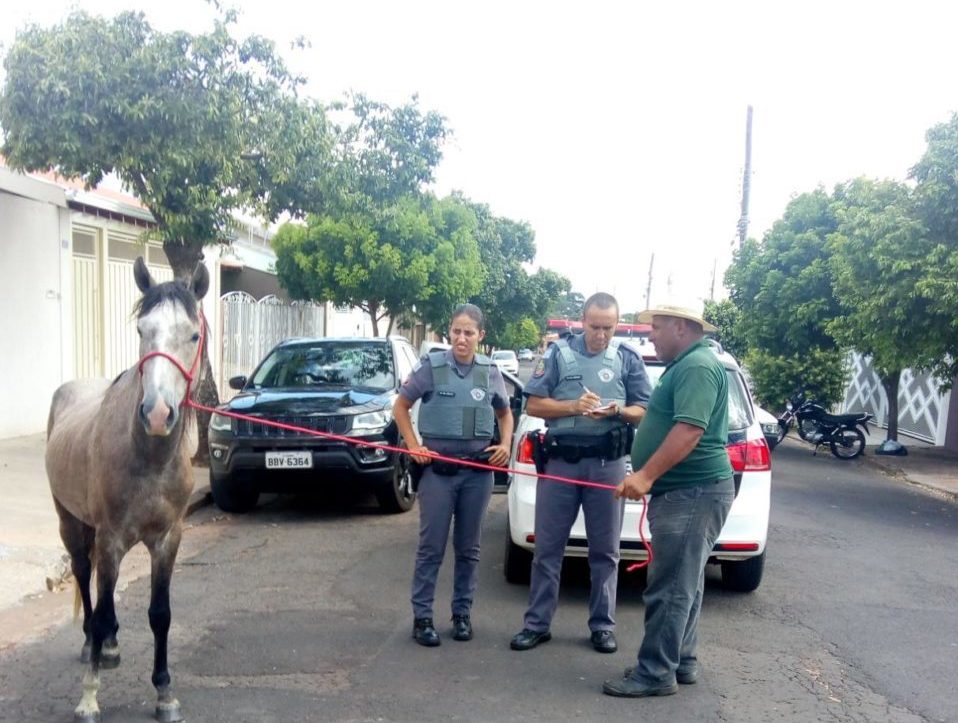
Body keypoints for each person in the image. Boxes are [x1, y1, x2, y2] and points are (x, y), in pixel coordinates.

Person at [602, 302, 735, 698]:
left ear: (680, 327)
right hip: (691, 490)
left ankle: (656, 672)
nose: (650, 335)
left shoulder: (696, 366)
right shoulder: (691, 363)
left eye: (656, 328)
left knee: (671, 587)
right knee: (685, 582)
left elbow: (689, 431)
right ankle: (681, 661)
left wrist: (644, 475)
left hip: (691, 492)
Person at [510, 293, 651, 654]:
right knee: (547, 548)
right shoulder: (559, 354)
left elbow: (646, 410)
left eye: (608, 327)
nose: (600, 334)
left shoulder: (626, 358)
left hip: (607, 465)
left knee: (605, 551)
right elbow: (535, 403)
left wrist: (619, 410)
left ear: (617, 325)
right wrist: (573, 405)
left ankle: (603, 626)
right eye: (594, 326)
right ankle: (537, 624)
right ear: (581, 321)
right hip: (561, 463)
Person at [394, 303, 513, 646]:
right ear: (449, 332)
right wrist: (414, 445)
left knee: (469, 547)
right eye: (457, 331)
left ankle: (462, 614)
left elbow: (505, 414)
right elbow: (400, 406)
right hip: (438, 473)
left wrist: (505, 443)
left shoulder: (490, 371)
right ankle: (423, 618)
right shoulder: (431, 367)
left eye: (469, 332)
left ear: (481, 336)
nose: (462, 339)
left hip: (477, 473)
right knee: (431, 547)